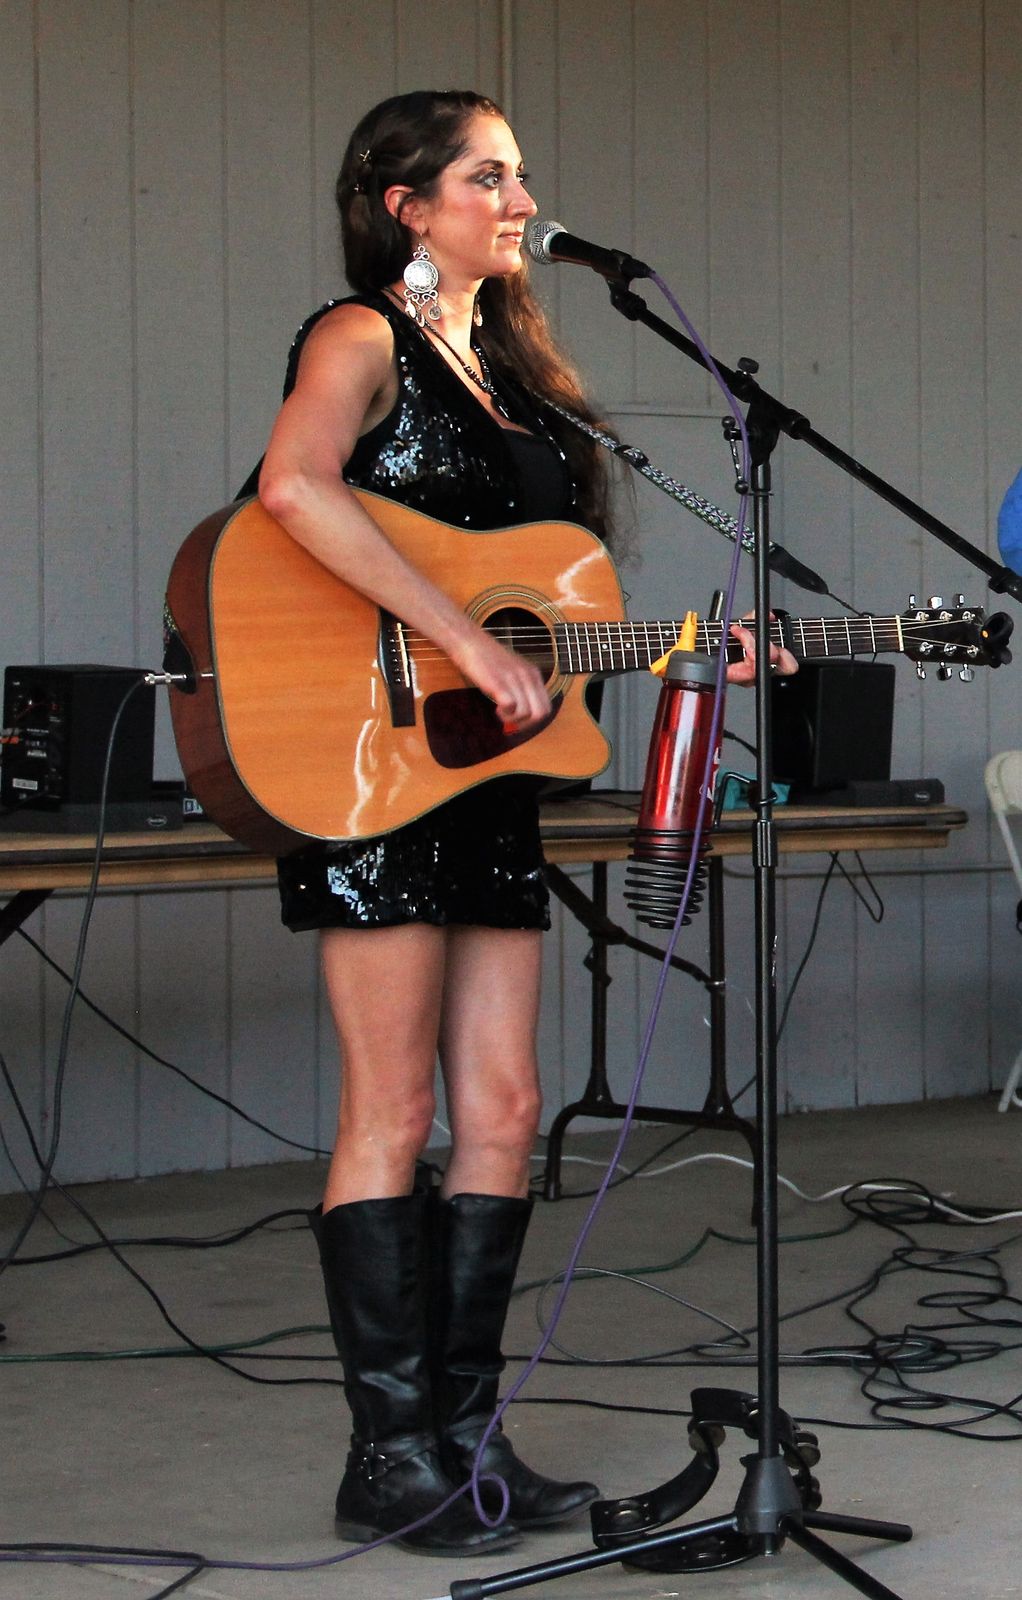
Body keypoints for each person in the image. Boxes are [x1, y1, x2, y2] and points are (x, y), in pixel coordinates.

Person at [257, 88, 796, 1558]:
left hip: (484, 781)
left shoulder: (515, 378)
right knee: (393, 1113)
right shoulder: (357, 336)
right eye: (486, 177)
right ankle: (388, 1458)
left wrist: (695, 653)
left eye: (520, 175)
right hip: (369, 769)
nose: (518, 201)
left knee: (500, 1110)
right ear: (404, 205)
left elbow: (542, 609)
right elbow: (293, 490)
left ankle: (466, 1435)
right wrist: (462, 640)